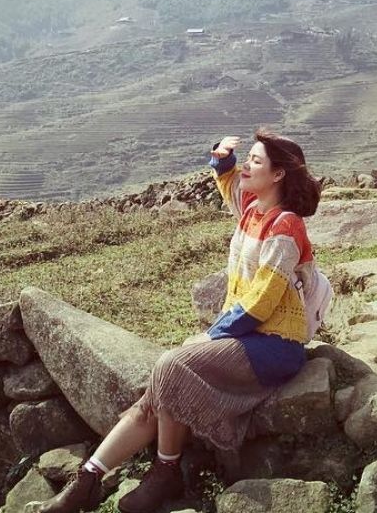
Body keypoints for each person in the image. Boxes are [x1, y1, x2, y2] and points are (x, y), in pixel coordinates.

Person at [34, 127, 323, 513]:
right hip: (248, 336)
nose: (246, 169)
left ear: (278, 175)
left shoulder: (285, 226)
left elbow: (263, 301)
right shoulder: (253, 209)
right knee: (163, 381)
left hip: (275, 344)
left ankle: (165, 471)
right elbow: (228, 185)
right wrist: (223, 159)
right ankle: (86, 481)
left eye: (255, 161)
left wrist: (211, 336)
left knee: (171, 366)